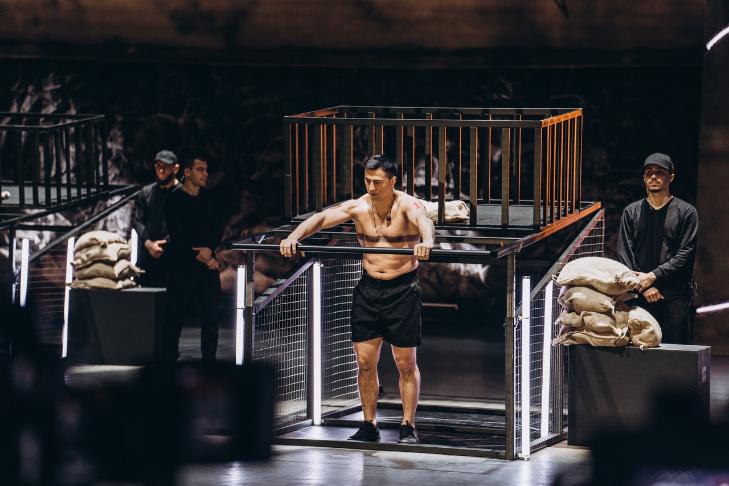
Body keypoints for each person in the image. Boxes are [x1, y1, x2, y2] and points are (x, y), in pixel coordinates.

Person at [280, 154, 435, 445]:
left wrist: (427, 242)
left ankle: (408, 425)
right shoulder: (359, 206)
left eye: (377, 182)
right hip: (368, 289)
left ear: (393, 181)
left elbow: (424, 221)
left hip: (402, 290)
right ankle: (369, 424)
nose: (371, 187)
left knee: (405, 363)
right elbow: (321, 218)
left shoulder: (408, 205)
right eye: (367, 181)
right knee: (365, 362)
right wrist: (293, 237)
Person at [617, 153, 698, 344]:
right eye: (649, 172)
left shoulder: (686, 212)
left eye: (660, 172)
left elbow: (685, 254)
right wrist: (644, 286)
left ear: (671, 177)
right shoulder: (632, 212)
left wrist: (653, 276)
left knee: (675, 351)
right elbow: (624, 253)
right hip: (640, 294)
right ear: (644, 178)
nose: (653, 176)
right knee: (641, 349)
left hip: (675, 295)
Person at [162, 154, 226, 363]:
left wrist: (209, 249)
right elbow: (178, 235)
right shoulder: (174, 200)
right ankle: (168, 363)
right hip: (182, 266)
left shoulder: (210, 200)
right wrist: (204, 257)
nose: (205, 174)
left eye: (206, 170)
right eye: (200, 169)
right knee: (174, 317)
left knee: (210, 319)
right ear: (187, 172)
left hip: (206, 268)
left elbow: (217, 228)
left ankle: (209, 364)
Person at [133, 150, 181, 287]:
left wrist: (164, 244)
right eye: (158, 166)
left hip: (173, 258)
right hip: (147, 256)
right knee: (143, 295)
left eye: (165, 167)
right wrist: (149, 244)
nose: (161, 170)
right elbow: (138, 220)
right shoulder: (146, 192)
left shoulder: (184, 194)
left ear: (175, 168)